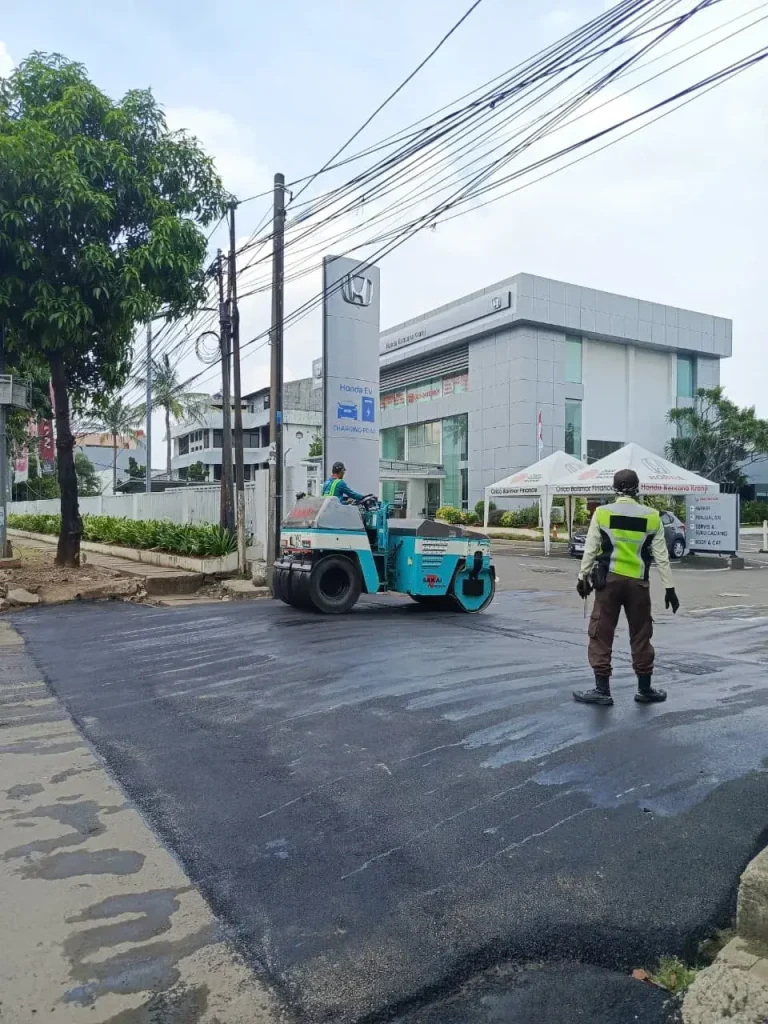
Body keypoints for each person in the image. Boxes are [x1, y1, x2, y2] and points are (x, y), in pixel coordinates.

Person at [573, 468, 680, 707]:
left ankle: (602, 690)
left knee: (601, 634)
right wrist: (669, 588)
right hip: (638, 584)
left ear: (614, 489)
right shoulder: (652, 517)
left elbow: (590, 549)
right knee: (641, 634)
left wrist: (582, 577)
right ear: (637, 488)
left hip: (608, 583)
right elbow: (661, 557)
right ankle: (645, 688)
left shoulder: (602, 513)